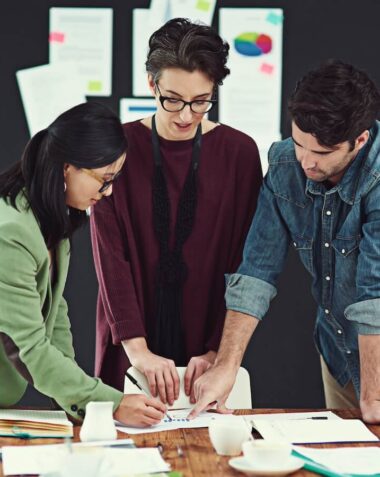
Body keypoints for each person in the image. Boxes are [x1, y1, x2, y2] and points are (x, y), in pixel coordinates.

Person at [189, 60, 380, 424]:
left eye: (321, 153)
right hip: (338, 348)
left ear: (360, 140)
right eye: (299, 144)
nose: (305, 161)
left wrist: (373, 396)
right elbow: (257, 270)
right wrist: (226, 366)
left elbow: (374, 294)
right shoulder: (284, 166)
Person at [90, 18, 263, 406]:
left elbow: (246, 261)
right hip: (131, 340)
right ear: (151, 84)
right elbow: (109, 258)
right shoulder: (117, 145)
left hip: (208, 339)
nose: (185, 116)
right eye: (172, 99)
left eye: (200, 101)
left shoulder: (239, 153)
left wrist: (218, 351)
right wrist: (138, 351)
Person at [0, 102, 166, 427]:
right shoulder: (12, 233)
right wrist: (109, 403)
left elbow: (55, 317)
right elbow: (28, 347)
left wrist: (80, 401)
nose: (109, 191)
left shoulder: (49, 221)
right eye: (104, 179)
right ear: (67, 167)